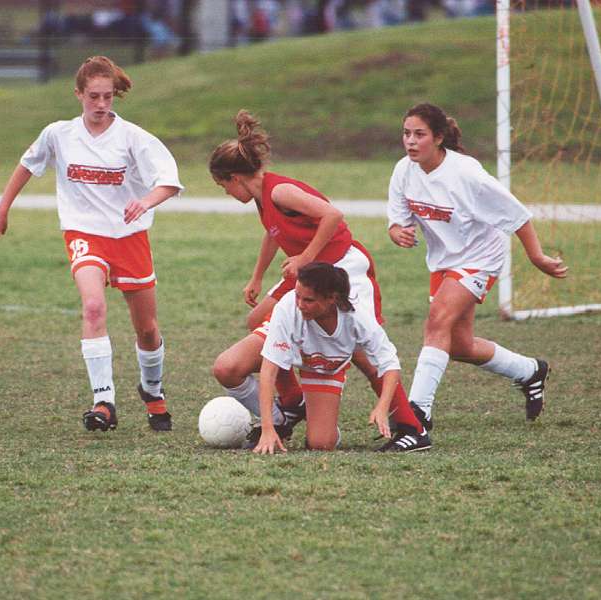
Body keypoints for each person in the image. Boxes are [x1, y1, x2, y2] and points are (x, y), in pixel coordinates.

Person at [209, 110, 429, 452]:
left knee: (363, 352)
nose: (225, 192)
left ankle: (411, 428)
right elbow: (273, 232)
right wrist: (257, 276)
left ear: (235, 177)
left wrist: (305, 257)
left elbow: (333, 215)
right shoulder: (263, 198)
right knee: (258, 320)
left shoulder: (280, 191)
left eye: (222, 185)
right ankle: (292, 402)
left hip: (343, 266)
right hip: (310, 272)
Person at [0, 56, 183, 433]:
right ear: (78, 94)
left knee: (146, 329)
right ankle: (103, 401)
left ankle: (153, 390)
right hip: (84, 234)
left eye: (108, 96)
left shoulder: (133, 138)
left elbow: (169, 182)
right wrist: (2, 209)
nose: (101, 104)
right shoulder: (58, 134)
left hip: (129, 238)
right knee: (93, 307)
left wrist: (146, 201)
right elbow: (27, 164)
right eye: (94, 96)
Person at [387, 102, 568, 432]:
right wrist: (397, 232)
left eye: (419, 134)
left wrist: (537, 257)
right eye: (406, 133)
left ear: (438, 138)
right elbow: (397, 222)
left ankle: (417, 415)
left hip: (480, 257)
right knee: (458, 345)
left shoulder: (467, 174)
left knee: (436, 321)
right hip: (444, 260)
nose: (410, 141)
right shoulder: (404, 171)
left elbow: (517, 216)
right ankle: (530, 371)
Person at [217, 262, 429, 453]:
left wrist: (382, 406)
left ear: (332, 299)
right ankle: (279, 419)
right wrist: (268, 428)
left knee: (321, 444)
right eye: (297, 295)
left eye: (308, 300)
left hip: (322, 365)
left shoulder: (358, 317)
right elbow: (269, 370)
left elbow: (390, 365)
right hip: (291, 345)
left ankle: (318, 419)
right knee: (226, 368)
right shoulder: (288, 307)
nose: (300, 304)